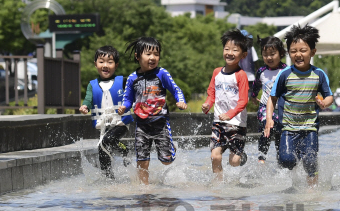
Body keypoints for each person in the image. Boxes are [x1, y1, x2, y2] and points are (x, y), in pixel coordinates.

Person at [264, 24, 334, 186]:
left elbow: (329, 96)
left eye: (303, 50)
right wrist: (269, 119)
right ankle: (294, 181)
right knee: (286, 159)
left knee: (309, 160)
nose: (298, 55)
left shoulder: (319, 74)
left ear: (312, 52)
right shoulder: (285, 74)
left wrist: (324, 103)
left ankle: (312, 185)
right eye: (294, 51)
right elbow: (272, 98)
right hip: (288, 128)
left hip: (310, 127)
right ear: (289, 53)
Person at [117, 37, 188, 185]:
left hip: (160, 123)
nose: (153, 58)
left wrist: (181, 100)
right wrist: (124, 107)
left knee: (166, 161)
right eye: (148, 54)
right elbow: (128, 98)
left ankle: (170, 147)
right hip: (141, 125)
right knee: (142, 159)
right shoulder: (132, 78)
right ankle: (145, 188)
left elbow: (175, 89)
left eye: (156, 54)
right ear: (137, 56)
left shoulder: (161, 73)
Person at [79, 46, 134, 179]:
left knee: (106, 141)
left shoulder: (122, 81)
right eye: (101, 61)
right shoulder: (92, 84)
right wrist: (85, 106)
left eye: (110, 62)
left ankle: (109, 176)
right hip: (104, 122)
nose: (105, 65)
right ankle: (108, 176)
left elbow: (131, 95)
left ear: (116, 65)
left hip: (121, 122)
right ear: (95, 64)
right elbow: (88, 99)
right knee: (103, 147)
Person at [202, 29, 250, 180]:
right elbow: (212, 93)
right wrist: (207, 104)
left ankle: (241, 156)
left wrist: (230, 114)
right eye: (227, 49)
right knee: (215, 156)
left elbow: (243, 101)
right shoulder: (217, 72)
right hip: (219, 122)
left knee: (234, 161)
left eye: (235, 50)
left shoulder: (241, 75)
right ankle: (219, 182)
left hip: (237, 123)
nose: (229, 53)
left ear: (243, 55)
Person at [250, 36, 287, 163]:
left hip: (281, 109)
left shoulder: (286, 70)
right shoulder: (261, 71)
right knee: (268, 128)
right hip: (265, 107)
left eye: (272, 54)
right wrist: (253, 97)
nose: (269, 58)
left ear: (281, 53)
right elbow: (256, 85)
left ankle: (280, 160)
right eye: (265, 55)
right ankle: (261, 158)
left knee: (279, 136)